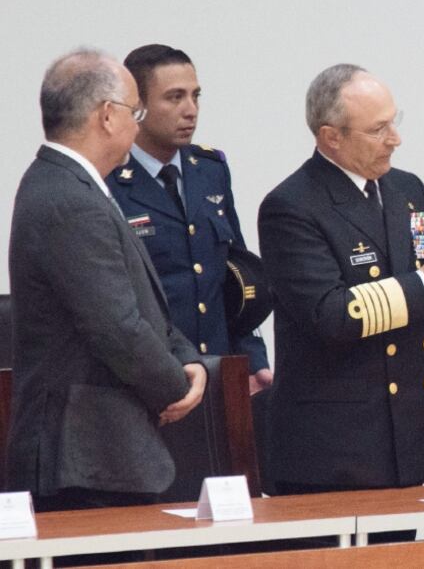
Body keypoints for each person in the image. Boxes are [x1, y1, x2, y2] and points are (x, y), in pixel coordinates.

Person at [258, 64, 424, 494]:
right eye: (378, 129)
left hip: (406, 436)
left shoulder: (407, 190)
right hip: (332, 449)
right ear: (332, 137)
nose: (395, 139)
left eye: (394, 123)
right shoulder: (292, 206)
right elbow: (333, 315)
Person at [7, 49, 206, 511]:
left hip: (100, 452)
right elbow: (116, 325)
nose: (138, 125)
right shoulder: (67, 197)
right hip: (83, 455)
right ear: (107, 116)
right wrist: (177, 385)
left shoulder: (69, 185)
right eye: (135, 111)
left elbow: (139, 304)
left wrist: (186, 357)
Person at [107, 44, 271, 393]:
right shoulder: (108, 181)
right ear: (137, 106)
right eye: (174, 98)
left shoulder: (209, 170)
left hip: (220, 369)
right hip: (156, 378)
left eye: (195, 96)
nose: (191, 110)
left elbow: (235, 276)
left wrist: (253, 359)